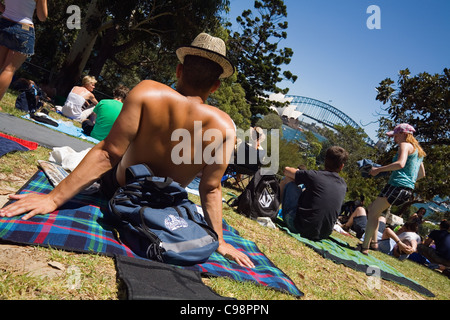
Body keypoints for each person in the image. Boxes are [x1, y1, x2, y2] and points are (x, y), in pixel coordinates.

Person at [0, 33, 254, 268]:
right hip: (165, 204)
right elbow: (210, 188)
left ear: (178, 70)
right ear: (215, 87)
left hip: (121, 190)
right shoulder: (225, 127)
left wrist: (53, 199)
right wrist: (219, 241)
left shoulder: (148, 92)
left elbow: (108, 154)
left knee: (84, 157)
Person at [360, 124, 426, 255]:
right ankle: (373, 244)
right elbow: (421, 174)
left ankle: (364, 247)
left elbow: (400, 164)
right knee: (374, 209)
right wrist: (408, 180)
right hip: (405, 189)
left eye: (396, 135)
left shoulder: (405, 145)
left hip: (396, 186)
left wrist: (378, 170)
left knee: (373, 211)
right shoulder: (418, 151)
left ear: (404, 134)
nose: (394, 139)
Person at [280, 146, 348, 240]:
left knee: (288, 180)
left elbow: (286, 170)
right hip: (324, 234)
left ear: (325, 161)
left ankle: (271, 209)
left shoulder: (314, 176)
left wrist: (299, 173)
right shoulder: (343, 185)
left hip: (299, 227)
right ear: (341, 166)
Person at [0, 0, 48, 108]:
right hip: (23, 28)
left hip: (4, 22)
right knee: (8, 69)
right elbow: (42, 17)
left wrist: (4, 9)